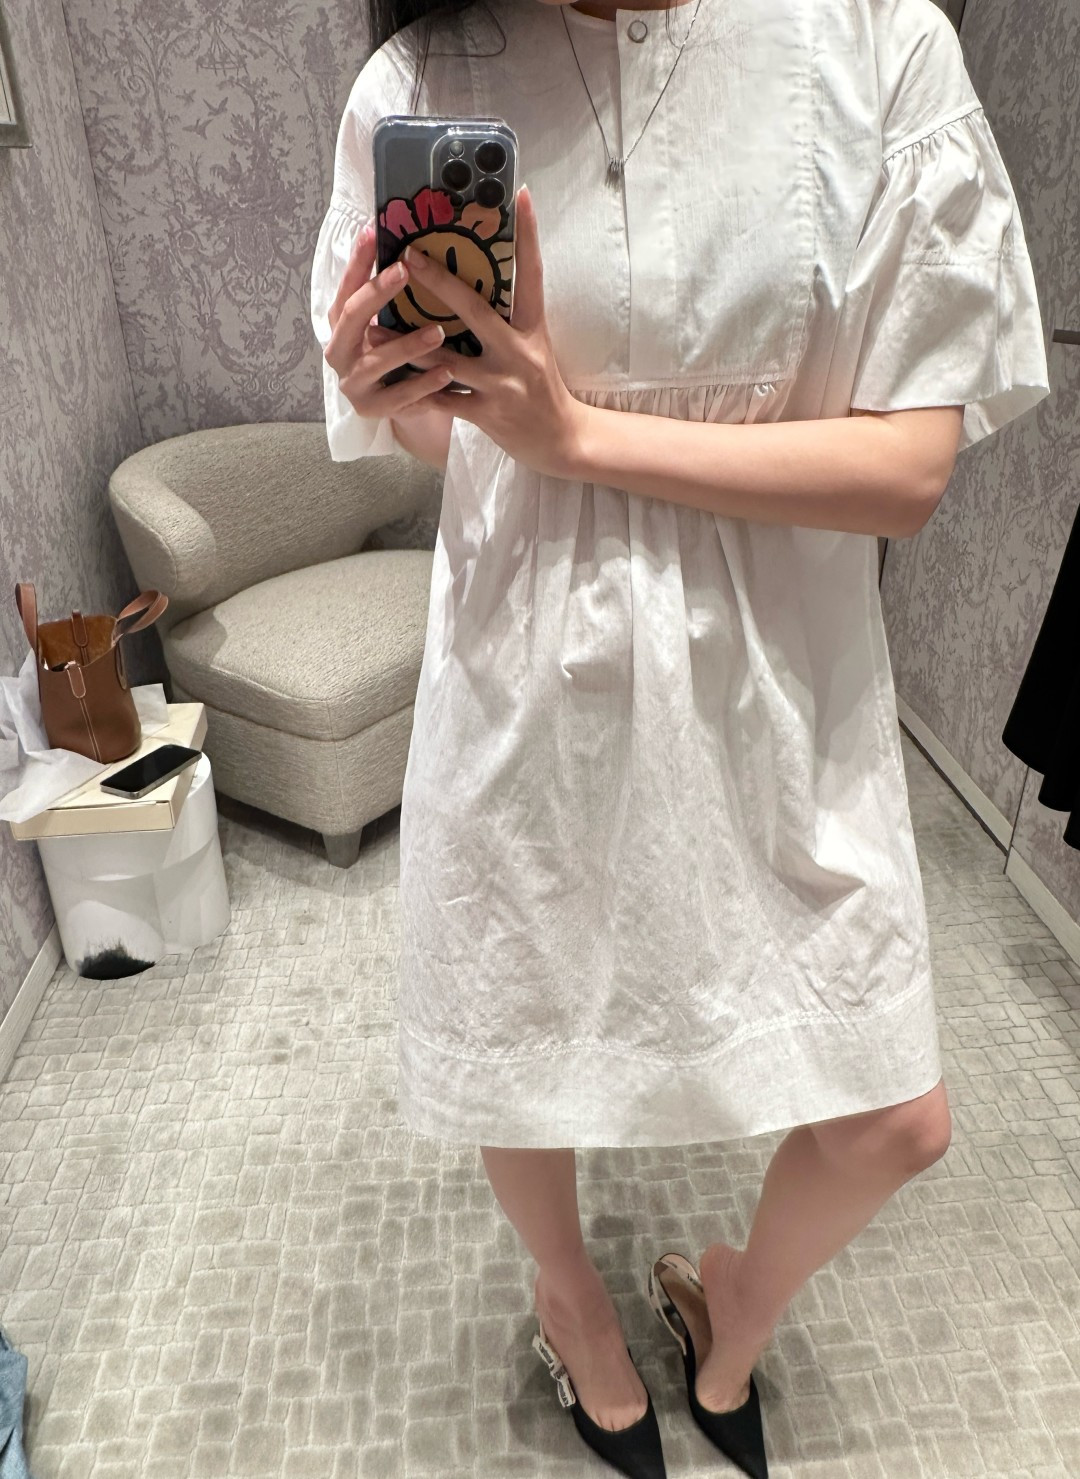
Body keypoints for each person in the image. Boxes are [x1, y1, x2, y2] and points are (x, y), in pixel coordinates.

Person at [310, 0, 1051, 1473]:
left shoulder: (878, 41)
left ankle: (740, 1302)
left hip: (782, 681)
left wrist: (579, 434)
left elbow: (909, 468)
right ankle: (571, 1302)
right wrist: (391, 391)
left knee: (898, 1117)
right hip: (529, 665)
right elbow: (447, 442)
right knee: (524, 1041)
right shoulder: (424, 72)